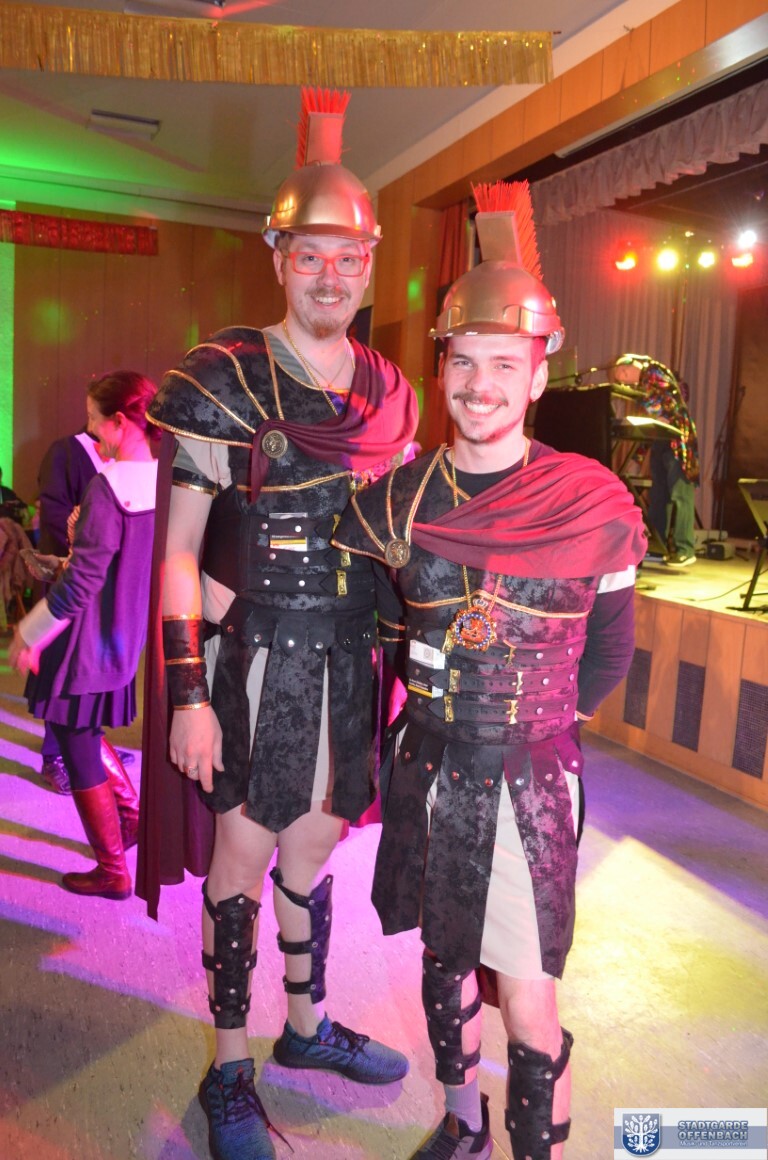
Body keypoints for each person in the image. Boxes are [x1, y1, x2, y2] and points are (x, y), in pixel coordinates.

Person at [334, 181, 646, 1160]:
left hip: (531, 774)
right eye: (463, 361)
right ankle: (463, 1121)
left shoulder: (593, 504)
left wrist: (538, 726)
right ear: (443, 368)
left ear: (539, 374)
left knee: (531, 991)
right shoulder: (395, 502)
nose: (479, 385)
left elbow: (611, 647)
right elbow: (390, 630)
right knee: (443, 963)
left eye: (504, 364)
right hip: (429, 765)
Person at [138, 87, 418, 1160]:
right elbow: (178, 550)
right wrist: (189, 695)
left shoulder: (390, 392)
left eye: (348, 258)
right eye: (311, 257)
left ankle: (305, 1027)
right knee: (241, 865)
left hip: (352, 660)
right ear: (278, 257)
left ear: (370, 263)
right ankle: (228, 1067)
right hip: (254, 659)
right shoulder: (224, 378)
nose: (330, 276)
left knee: (314, 849)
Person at [9, 371, 159, 900]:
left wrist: (31, 632)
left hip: (85, 637)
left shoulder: (109, 487)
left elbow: (83, 582)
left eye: (95, 419)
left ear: (120, 421)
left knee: (76, 741)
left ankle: (113, 869)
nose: (91, 431)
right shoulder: (161, 481)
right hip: (123, 632)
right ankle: (131, 818)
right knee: (82, 730)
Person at [31, 419, 111, 793]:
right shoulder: (65, 452)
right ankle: (54, 755)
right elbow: (53, 514)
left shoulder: (123, 459)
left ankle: (89, 749)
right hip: (70, 576)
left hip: (104, 584)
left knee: (92, 671)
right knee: (60, 673)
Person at [611, 355, 699, 567]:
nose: (624, 380)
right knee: (659, 495)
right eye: (621, 379)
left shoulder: (653, 371)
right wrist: (637, 458)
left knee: (680, 494)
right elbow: (650, 426)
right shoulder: (643, 388)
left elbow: (671, 403)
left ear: (633, 364)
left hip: (678, 440)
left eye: (623, 373)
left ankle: (685, 549)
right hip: (661, 440)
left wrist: (659, 415)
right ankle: (657, 548)